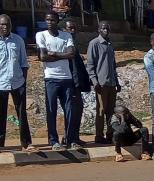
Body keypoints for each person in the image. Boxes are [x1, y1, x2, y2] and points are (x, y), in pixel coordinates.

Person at [37, 12, 79, 151]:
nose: (50, 22)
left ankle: (70, 139)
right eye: (47, 19)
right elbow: (43, 57)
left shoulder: (66, 35)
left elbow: (72, 54)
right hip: (51, 78)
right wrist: (63, 56)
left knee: (70, 110)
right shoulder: (41, 35)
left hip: (66, 78)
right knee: (51, 110)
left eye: (52, 20)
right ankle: (53, 141)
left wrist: (54, 54)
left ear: (57, 21)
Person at [0, 14, 34, 151]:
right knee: (1, 115)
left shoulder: (18, 40)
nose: (4, 27)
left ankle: (26, 143)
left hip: (18, 82)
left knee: (22, 114)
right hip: (0, 83)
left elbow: (24, 63)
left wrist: (23, 82)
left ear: (11, 26)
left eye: (6, 24)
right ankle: (0, 144)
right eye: (1, 24)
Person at [86, 21, 118, 145]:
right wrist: (94, 81)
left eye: (108, 29)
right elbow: (90, 65)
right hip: (101, 83)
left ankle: (110, 134)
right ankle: (99, 135)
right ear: (99, 30)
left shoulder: (110, 44)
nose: (106, 31)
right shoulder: (94, 44)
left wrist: (117, 82)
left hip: (111, 83)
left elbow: (113, 65)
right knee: (101, 110)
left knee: (111, 111)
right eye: (103, 28)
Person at [63, 20, 91, 147]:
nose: (72, 31)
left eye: (74, 28)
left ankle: (75, 136)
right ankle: (70, 139)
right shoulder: (65, 45)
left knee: (78, 110)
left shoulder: (74, 44)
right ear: (65, 30)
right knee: (72, 111)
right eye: (70, 28)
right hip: (70, 84)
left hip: (77, 84)